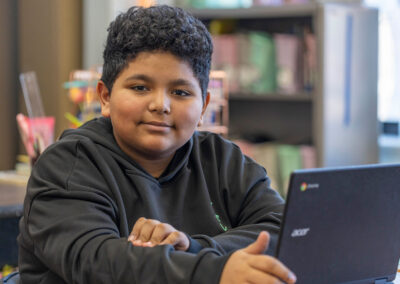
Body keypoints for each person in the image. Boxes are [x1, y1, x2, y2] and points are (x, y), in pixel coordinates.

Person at [18, 5, 296, 284]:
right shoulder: (67, 166)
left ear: (204, 107)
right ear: (105, 97)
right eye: (140, 87)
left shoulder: (222, 159)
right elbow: (98, 263)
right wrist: (213, 271)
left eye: (180, 92)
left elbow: (286, 230)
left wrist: (194, 247)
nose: (159, 105)